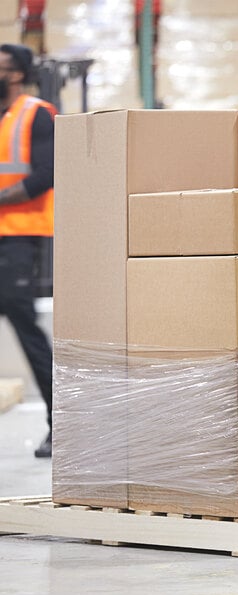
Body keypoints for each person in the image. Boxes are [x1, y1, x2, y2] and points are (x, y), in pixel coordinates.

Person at [0, 43, 56, 458]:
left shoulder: (36, 113)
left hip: (19, 235)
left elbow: (44, 174)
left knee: (25, 326)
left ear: (15, 73)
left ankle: (62, 425)